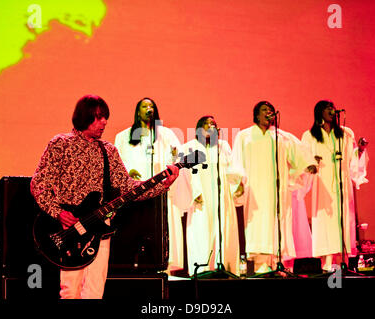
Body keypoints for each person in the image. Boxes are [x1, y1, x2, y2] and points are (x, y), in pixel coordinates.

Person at [30, 94, 179, 299]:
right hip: (70, 228)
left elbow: (127, 187)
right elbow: (39, 183)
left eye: (105, 117)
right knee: (70, 291)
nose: (104, 122)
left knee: (94, 291)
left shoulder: (108, 150)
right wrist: (58, 213)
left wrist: (163, 184)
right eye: (99, 117)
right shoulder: (61, 144)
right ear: (84, 117)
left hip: (100, 229)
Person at [231, 101, 317, 274]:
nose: (268, 112)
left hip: (278, 191)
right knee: (259, 225)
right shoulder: (244, 136)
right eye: (264, 110)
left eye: (270, 110)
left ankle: (276, 263)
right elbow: (236, 162)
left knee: (278, 222)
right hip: (255, 190)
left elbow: (298, 155)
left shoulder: (282, 136)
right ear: (256, 115)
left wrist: (308, 165)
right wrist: (238, 183)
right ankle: (260, 265)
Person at [114, 97, 184, 273]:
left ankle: (161, 267)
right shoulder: (124, 136)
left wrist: (175, 156)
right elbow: (116, 163)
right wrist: (128, 174)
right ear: (138, 111)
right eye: (144, 106)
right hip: (133, 194)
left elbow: (177, 158)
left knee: (159, 230)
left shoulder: (166, 134)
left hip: (158, 192)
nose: (148, 109)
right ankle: (131, 269)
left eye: (151, 106)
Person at [299, 100, 368, 271]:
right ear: (319, 113)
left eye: (332, 107)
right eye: (326, 108)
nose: (331, 110)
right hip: (322, 183)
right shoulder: (310, 135)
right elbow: (304, 157)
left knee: (343, 218)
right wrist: (311, 164)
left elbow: (352, 161)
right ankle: (327, 261)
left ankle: (343, 260)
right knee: (325, 221)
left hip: (341, 183)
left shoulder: (345, 134)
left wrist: (359, 151)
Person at [175, 116, 241, 276]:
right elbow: (183, 174)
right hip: (200, 200)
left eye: (214, 124)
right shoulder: (189, 147)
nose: (211, 126)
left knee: (222, 231)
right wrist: (194, 192)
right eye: (207, 124)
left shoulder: (222, 146)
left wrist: (236, 185)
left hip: (221, 199)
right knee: (201, 232)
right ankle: (202, 269)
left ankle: (224, 266)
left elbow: (232, 168)